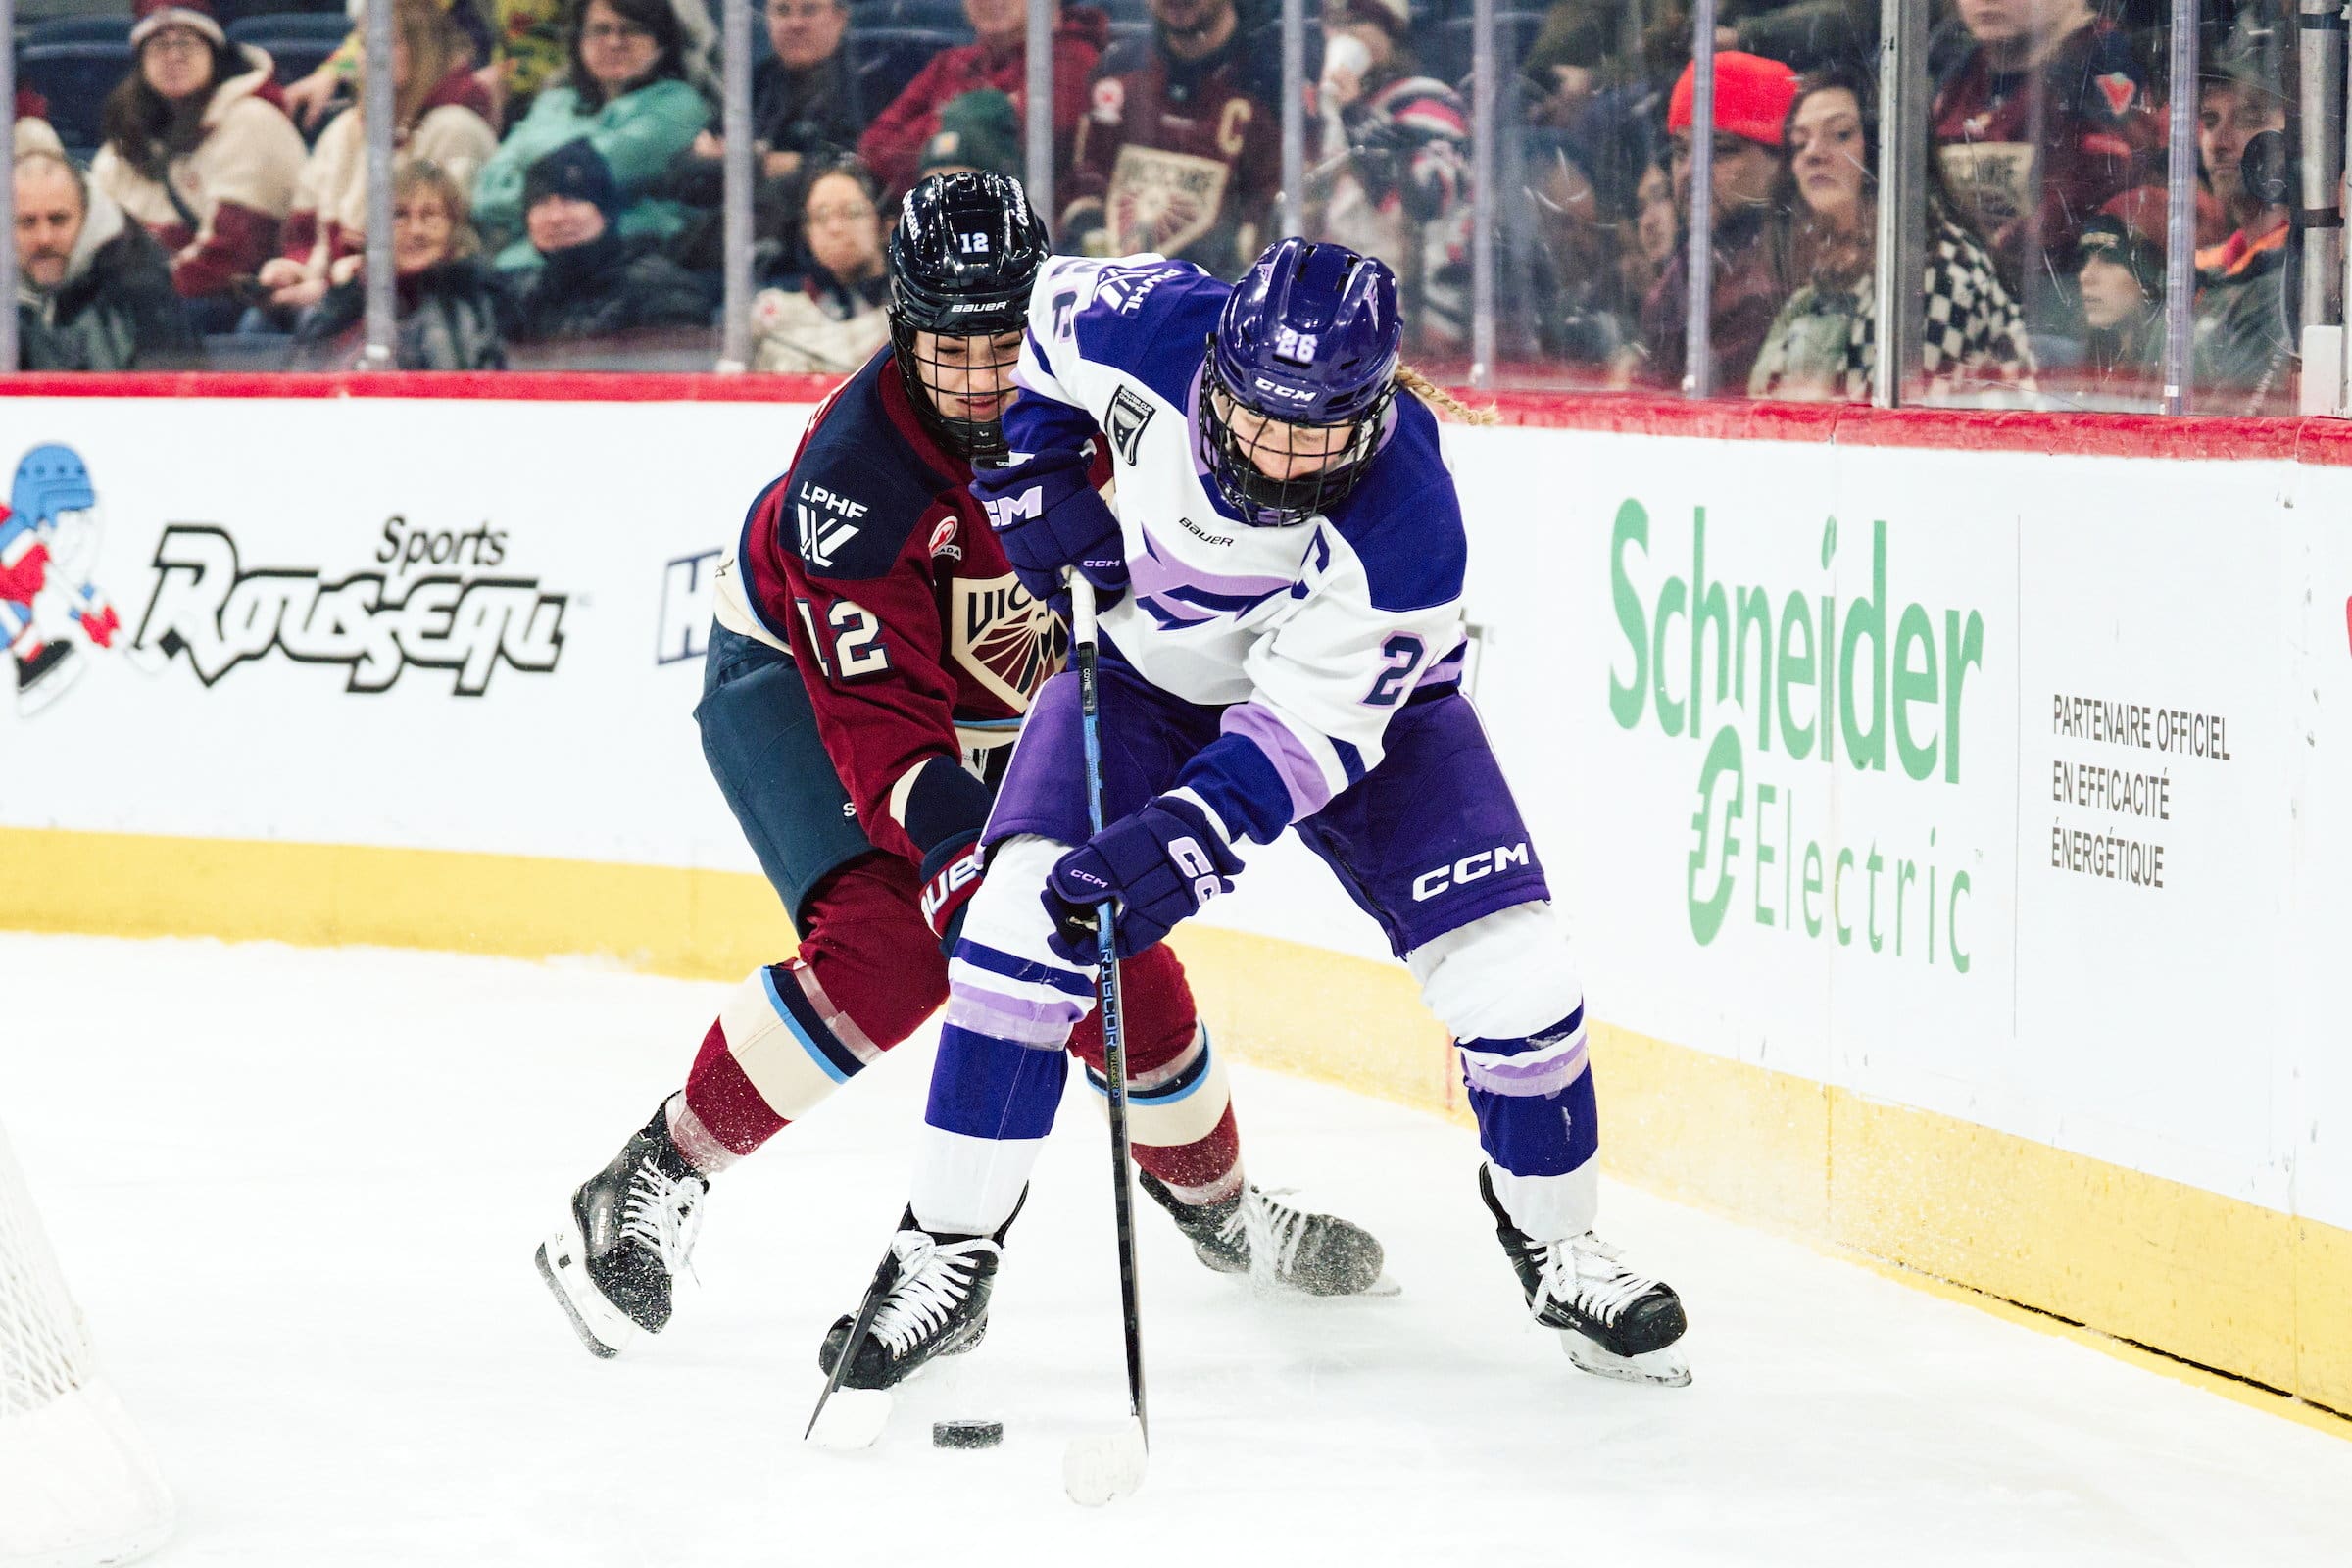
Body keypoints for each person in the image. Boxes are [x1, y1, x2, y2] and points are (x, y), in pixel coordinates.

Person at [812, 235, 1691, 1396]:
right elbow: (1035, 344)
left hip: (1370, 725)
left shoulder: (1410, 523)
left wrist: (1176, 852)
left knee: (1518, 979)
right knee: (1017, 927)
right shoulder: (1143, 321)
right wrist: (1032, 471)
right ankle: (945, 1253)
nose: (1275, 459)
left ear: (1371, 417)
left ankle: (1558, 1239)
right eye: (1256, 420)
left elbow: (1299, 743)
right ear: (1215, 366)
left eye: (1313, 433)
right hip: (1142, 678)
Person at [536, 172, 1386, 1361]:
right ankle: (652, 1175)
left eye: (1004, 343)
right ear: (899, 325)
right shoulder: (852, 480)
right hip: (798, 685)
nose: (985, 379)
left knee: (1106, 949)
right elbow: (885, 726)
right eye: (952, 349)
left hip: (1012, 703)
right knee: (898, 946)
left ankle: (1225, 1214)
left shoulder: (1111, 380)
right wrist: (951, 860)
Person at [1749, 69, 2034, 404]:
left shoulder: (1939, 268)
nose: (1812, 153)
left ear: (1887, 148)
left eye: (1840, 134)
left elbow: (1902, 433)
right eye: (1799, 142)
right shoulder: (1823, 274)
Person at [1931, 0, 2164, 340]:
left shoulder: (2104, 62)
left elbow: (2105, 188)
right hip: (1973, 299)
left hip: (2067, 309)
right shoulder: (1958, 74)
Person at [256, 0, 497, 320]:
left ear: (423, 51)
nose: (371, 55)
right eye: (366, 43)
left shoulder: (454, 129)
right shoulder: (343, 130)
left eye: (389, 41)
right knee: (260, 319)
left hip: (418, 306)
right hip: (339, 292)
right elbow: (305, 232)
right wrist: (295, 270)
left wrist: (335, 289)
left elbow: (441, 250)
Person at [89, 0, 307, 331]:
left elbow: (231, 257)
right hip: (148, 300)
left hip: (220, 300)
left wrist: (133, 298)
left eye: (187, 42)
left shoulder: (252, 121)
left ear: (214, 52)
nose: (173, 55)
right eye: (159, 44)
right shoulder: (125, 142)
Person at [471, 0, 710, 274]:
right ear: (579, 40)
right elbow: (486, 195)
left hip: (624, 266)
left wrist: (533, 182)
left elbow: (591, 176)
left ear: (661, 41)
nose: (614, 42)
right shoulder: (553, 102)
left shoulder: (678, 105)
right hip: (525, 266)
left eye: (631, 30)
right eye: (600, 30)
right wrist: (550, 185)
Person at [1058, 0, 1281, 278]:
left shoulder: (1271, 86)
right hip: (1121, 298)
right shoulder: (1116, 73)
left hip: (1218, 301)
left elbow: (1274, 214)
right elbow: (1087, 183)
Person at [1309, 0, 1471, 348]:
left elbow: (1424, 206)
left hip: (1423, 305)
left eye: (1356, 21)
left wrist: (1355, 117)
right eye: (1333, 22)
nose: (1342, 34)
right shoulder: (1332, 110)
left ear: (1391, 32)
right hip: (1346, 294)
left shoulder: (1427, 99)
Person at [1638, 50, 1797, 392]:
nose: (1689, 171)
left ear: (1782, 162)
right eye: (1680, 151)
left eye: (1720, 150)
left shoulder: (1792, 273)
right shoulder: (1678, 279)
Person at [857, 0, 1107, 201]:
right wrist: (962, 125)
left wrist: (943, 126)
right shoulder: (950, 63)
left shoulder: (1077, 61)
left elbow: (1032, 144)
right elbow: (875, 145)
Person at [671, 0, 863, 260]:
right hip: (737, 241)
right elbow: (683, 169)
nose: (795, 24)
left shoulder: (866, 81)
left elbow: (860, 164)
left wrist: (737, 159)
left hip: (813, 245)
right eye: (783, 11)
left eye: (809, 10)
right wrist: (760, 161)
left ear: (839, 18)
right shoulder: (759, 81)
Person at [287, 160, 508, 369]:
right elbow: (308, 367)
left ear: (454, 227)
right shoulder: (352, 298)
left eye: (430, 215)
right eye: (400, 215)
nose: (416, 230)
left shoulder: (475, 299)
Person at [501, 139, 713, 343]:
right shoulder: (522, 297)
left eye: (572, 199)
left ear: (606, 213)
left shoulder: (661, 290)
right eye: (541, 203)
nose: (556, 217)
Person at [15, 148, 197, 371]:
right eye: (27, 223)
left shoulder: (139, 294)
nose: (44, 239)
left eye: (58, 220)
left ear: (87, 218)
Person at [2190, 45, 2294, 412]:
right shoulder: (2209, 271)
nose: (2219, 143)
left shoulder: (2292, 278)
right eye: (2210, 119)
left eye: (2248, 118)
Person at [749, 161, 889, 372]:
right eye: (820, 217)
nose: (834, 228)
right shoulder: (776, 315)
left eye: (852, 213)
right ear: (807, 233)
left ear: (886, 225)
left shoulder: (916, 317)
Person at [2072, 214, 2162, 405]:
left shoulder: (2175, 371)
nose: (2086, 276)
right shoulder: (2077, 365)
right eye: (2086, 260)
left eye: (2109, 260)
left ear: (2147, 277)